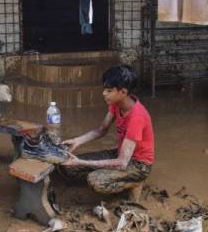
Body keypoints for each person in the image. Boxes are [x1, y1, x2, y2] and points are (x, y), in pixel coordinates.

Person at [60, 65, 155, 198]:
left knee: (95, 182)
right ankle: (114, 176)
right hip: (121, 153)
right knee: (68, 167)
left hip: (138, 164)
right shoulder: (116, 104)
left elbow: (122, 163)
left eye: (109, 90)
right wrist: (77, 141)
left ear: (123, 92)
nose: (104, 93)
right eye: (105, 89)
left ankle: (134, 183)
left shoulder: (137, 117)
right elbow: (101, 130)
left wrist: (82, 163)